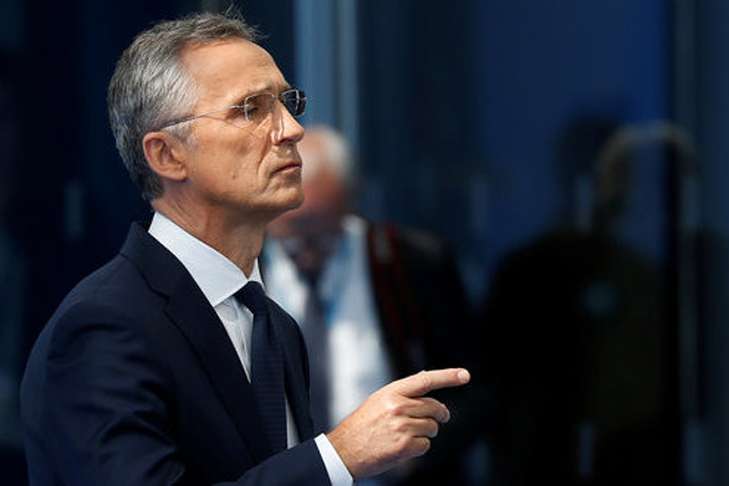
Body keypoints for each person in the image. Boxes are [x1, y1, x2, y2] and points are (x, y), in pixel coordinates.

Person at [20, 11, 470, 486]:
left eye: (287, 102)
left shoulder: (273, 324)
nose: (292, 129)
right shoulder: (103, 325)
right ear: (167, 155)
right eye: (252, 109)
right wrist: (337, 456)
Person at [264, 126, 483, 485]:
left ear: (350, 203)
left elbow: (473, 391)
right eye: (293, 232)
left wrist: (416, 453)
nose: (306, 252)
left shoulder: (410, 262)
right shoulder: (241, 266)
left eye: (320, 233)